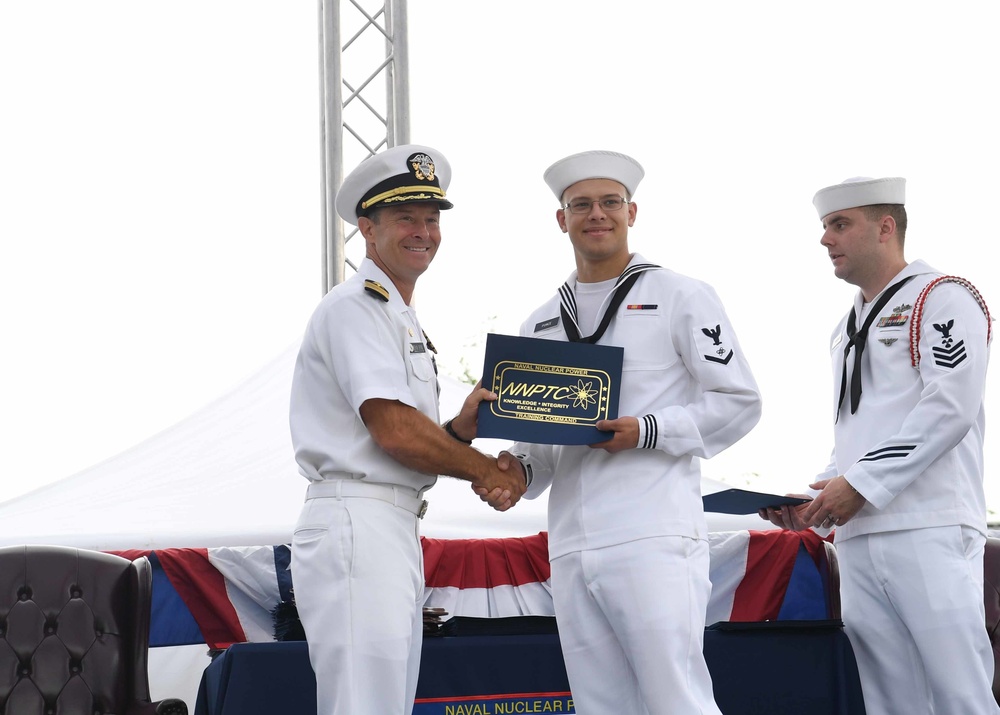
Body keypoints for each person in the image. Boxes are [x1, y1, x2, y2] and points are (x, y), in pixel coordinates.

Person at [480, 150, 763, 714]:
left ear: (632, 212)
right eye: (580, 205)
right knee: (600, 703)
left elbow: (739, 401)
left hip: (651, 532)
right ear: (561, 220)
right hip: (570, 542)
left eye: (610, 203)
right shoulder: (538, 322)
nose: (596, 215)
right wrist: (516, 472)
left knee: (674, 697)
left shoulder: (682, 295)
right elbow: (540, 442)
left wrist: (648, 430)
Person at [288, 143, 526, 715]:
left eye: (431, 219)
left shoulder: (395, 312)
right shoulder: (356, 307)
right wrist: (488, 470)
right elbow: (394, 430)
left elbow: (403, 435)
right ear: (367, 230)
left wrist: (459, 431)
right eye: (404, 218)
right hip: (358, 521)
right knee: (364, 706)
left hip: (386, 524)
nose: (423, 231)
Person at [760, 176, 997, 714]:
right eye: (825, 227)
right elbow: (856, 432)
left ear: (885, 228)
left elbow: (950, 406)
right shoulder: (845, 325)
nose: (826, 240)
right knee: (890, 701)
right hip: (861, 533)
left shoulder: (943, 296)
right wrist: (816, 501)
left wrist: (861, 483)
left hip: (927, 523)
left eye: (840, 225)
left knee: (960, 695)